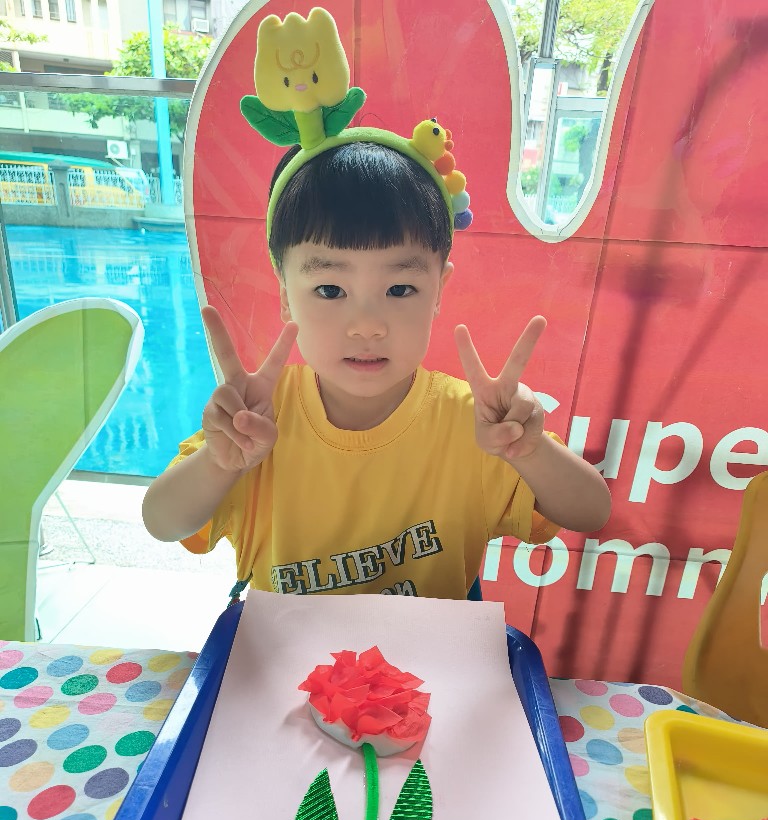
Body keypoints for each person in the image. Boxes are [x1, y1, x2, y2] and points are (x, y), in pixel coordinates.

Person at [142, 139, 611, 603]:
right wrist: (219, 463)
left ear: (439, 291)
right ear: (285, 294)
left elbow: (591, 511)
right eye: (330, 290)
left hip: (430, 652)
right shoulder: (255, 421)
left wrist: (529, 451)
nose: (366, 326)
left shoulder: (475, 422)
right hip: (292, 653)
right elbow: (162, 522)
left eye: (400, 289)